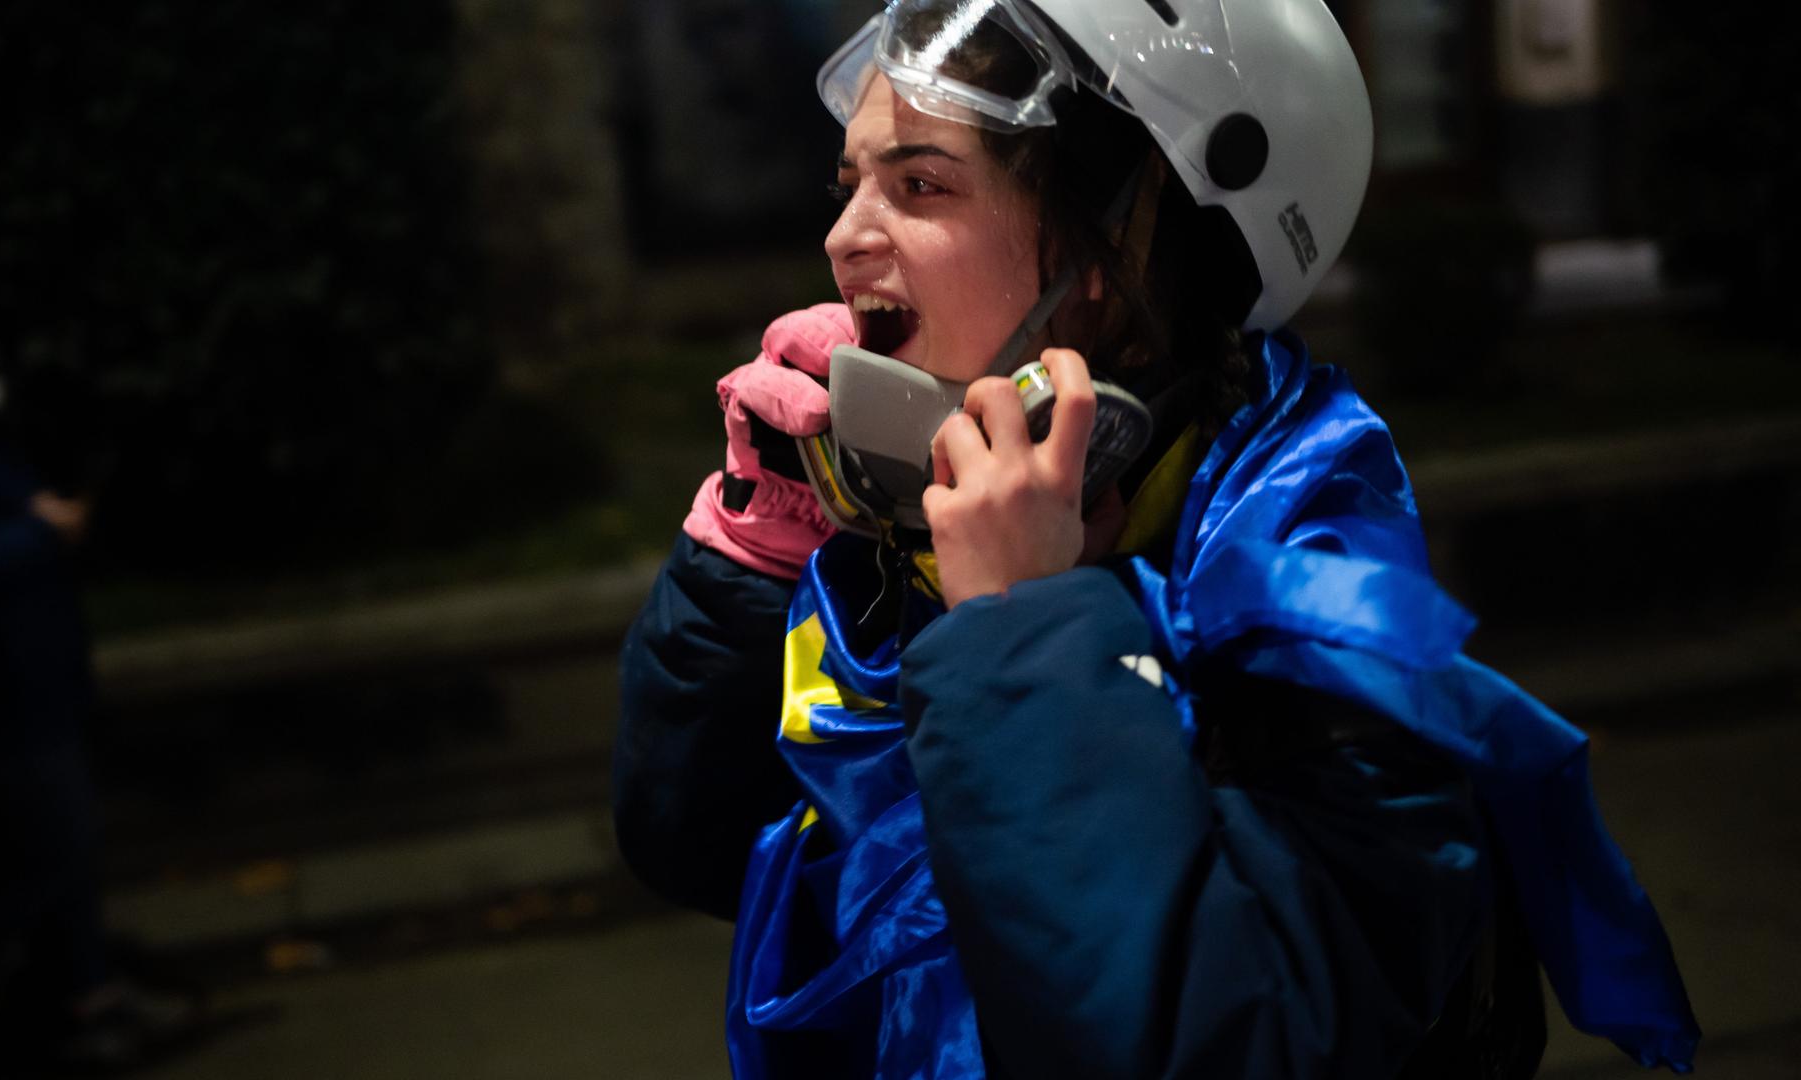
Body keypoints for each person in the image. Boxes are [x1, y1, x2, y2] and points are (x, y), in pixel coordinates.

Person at [613, 2, 1700, 1077]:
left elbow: (1207, 1042)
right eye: (850, 187)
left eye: (921, 185)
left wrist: (1022, 637)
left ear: (1118, 259)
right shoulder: (920, 538)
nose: (843, 240)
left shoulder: (1319, 630)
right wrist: (761, 553)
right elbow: (701, 846)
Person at [0, 258, 193, 1077]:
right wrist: (40, 534)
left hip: (22, 676)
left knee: (61, 848)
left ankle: (87, 997)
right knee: (44, 846)